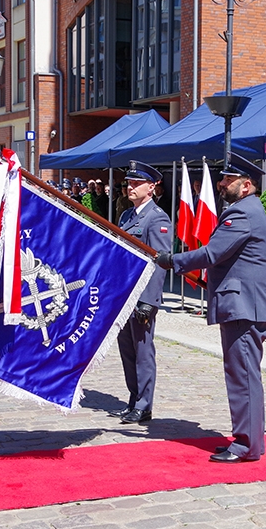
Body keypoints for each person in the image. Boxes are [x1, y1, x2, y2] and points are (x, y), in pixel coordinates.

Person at [155, 152, 266, 463]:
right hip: (244, 304)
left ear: (246, 185)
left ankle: (247, 444)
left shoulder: (242, 213)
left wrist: (173, 261)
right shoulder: (247, 209)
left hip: (242, 305)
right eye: (221, 179)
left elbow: (212, 253)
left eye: (227, 179)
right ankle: (248, 440)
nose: (221, 184)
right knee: (243, 375)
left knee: (243, 377)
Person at [108, 161, 172, 425]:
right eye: (128, 183)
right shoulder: (126, 216)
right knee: (127, 351)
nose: (130, 187)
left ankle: (145, 405)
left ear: (152, 186)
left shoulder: (157, 218)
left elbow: (159, 262)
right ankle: (134, 400)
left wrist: (149, 300)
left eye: (136, 183)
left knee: (143, 351)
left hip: (142, 296)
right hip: (124, 294)